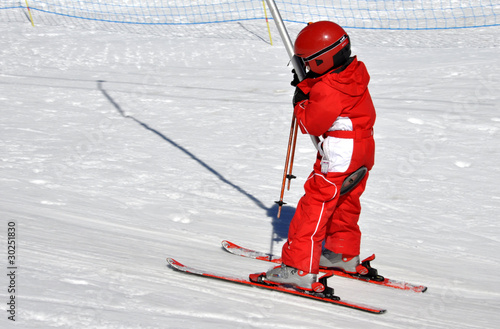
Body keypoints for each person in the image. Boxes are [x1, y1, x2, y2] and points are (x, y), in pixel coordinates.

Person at [265, 21, 376, 291]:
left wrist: (301, 102)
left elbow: (312, 125)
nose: (306, 67)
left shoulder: (328, 89)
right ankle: (341, 253)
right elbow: (332, 88)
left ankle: (298, 269)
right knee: (345, 202)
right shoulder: (354, 72)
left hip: (339, 152)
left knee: (313, 208)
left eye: (309, 63)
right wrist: (308, 84)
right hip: (363, 148)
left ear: (323, 59)